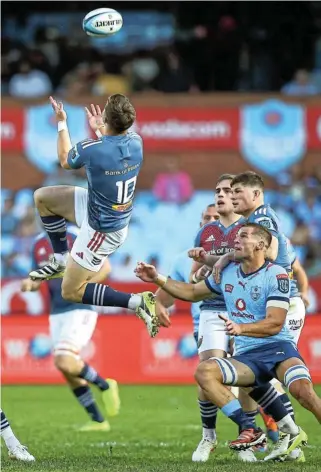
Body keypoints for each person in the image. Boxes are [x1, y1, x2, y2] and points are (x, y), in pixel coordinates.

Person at [135, 223, 321, 462]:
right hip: (247, 354)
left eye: (243, 236)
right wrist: (157, 278)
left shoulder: (276, 274)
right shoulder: (228, 271)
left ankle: (289, 432)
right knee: (204, 372)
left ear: (261, 245)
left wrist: (240, 328)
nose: (236, 240)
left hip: (278, 348)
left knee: (303, 392)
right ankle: (250, 429)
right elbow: (192, 293)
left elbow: (275, 323)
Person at [29, 95, 159, 337]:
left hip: (101, 229)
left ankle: (137, 302)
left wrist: (61, 122)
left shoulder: (92, 149)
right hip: (99, 207)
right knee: (44, 198)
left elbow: (65, 160)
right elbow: (111, 150)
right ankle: (59, 258)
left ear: (108, 118)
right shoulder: (136, 143)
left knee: (70, 291)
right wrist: (103, 129)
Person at [22, 227, 120, 432]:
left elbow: (105, 268)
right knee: (66, 368)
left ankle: (104, 385)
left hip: (80, 308)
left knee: (63, 359)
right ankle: (98, 420)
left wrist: (79, 287)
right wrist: (29, 284)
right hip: (56, 312)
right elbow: (36, 279)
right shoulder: (38, 243)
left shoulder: (77, 236)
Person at [155, 203, 220, 334]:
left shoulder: (238, 256)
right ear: (200, 224)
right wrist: (157, 304)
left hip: (238, 330)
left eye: (217, 217)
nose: (211, 221)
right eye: (207, 217)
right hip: (203, 330)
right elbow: (162, 298)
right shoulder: (183, 259)